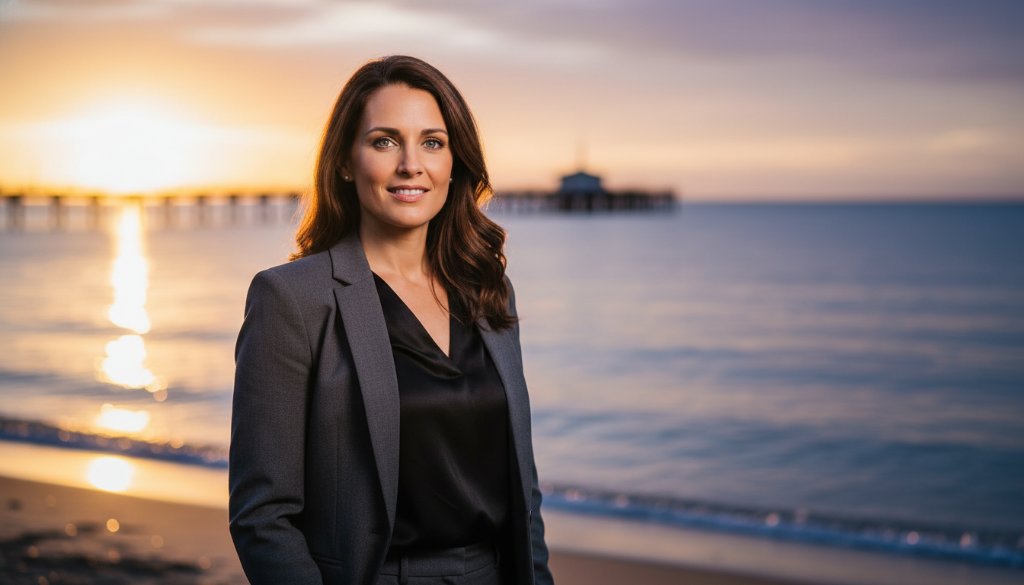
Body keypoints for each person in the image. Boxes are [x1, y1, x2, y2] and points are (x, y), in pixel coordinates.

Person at [229, 55, 555, 585]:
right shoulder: (291, 299)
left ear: (455, 161)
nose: (411, 165)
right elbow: (262, 516)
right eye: (384, 141)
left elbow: (524, 486)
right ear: (344, 161)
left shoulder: (487, 291)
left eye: (432, 142)